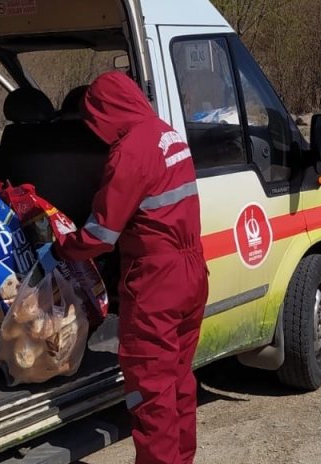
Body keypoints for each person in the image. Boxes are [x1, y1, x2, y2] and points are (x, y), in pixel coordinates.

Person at [55, 71, 209, 464]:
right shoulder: (166, 133)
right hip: (190, 270)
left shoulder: (130, 151)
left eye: (94, 120)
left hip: (157, 280)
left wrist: (62, 246)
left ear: (106, 112)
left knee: (151, 393)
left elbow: (102, 235)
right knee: (178, 383)